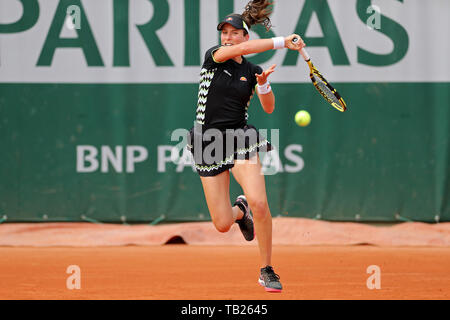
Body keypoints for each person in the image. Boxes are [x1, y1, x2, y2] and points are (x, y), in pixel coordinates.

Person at [187, 0, 305, 292]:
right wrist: (281, 41)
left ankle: (266, 268)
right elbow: (238, 53)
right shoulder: (214, 56)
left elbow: (268, 107)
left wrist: (263, 84)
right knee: (223, 223)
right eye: (223, 32)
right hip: (208, 141)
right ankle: (240, 211)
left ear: (245, 35)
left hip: (240, 137)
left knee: (261, 203)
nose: (227, 37)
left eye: (233, 32)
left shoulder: (251, 71)